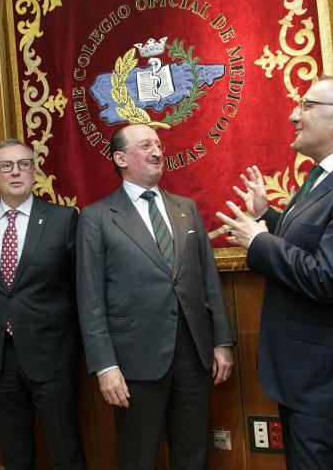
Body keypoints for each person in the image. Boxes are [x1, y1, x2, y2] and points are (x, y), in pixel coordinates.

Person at [217, 77, 333, 469]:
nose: (293, 114)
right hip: (305, 376)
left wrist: (259, 242)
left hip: (327, 380)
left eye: (305, 105)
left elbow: (327, 277)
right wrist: (264, 217)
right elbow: (309, 246)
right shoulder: (324, 176)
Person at [77, 123, 235, 470]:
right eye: (145, 145)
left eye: (159, 144)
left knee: (192, 454)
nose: (156, 151)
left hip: (193, 355)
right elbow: (90, 299)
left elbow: (208, 279)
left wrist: (222, 341)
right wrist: (106, 366)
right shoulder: (97, 217)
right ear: (120, 157)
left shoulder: (186, 208)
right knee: (138, 457)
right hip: (134, 360)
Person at [0, 139, 87, 470]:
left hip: (52, 353)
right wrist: (5, 315)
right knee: (13, 448)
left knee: (64, 446)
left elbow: (78, 286)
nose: (15, 172)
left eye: (23, 164)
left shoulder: (63, 219)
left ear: (34, 172)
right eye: (5, 165)